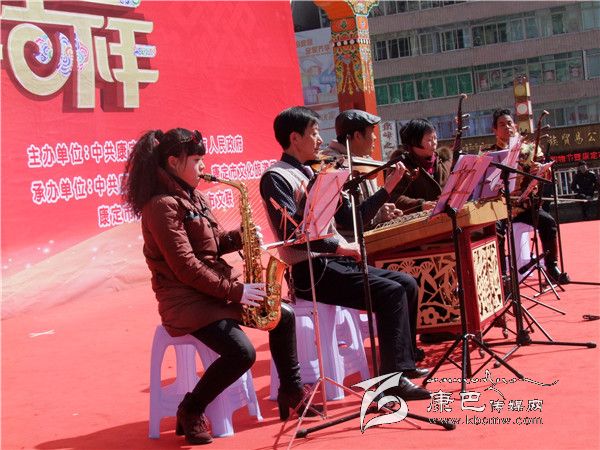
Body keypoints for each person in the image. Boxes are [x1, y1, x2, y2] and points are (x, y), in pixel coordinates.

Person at [122, 127, 315, 445]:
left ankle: (291, 391)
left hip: (214, 292)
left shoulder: (194, 196)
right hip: (186, 302)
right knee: (242, 352)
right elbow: (186, 267)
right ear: (173, 162)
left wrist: (240, 237)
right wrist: (236, 291)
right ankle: (191, 409)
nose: (203, 167)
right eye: (196, 160)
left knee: (283, 316)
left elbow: (209, 247)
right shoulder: (161, 206)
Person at [259, 106, 431, 401]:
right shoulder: (276, 178)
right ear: (295, 138)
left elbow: (354, 219)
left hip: (335, 262)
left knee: (407, 284)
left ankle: (403, 364)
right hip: (310, 271)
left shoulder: (315, 172)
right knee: (390, 292)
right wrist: (338, 247)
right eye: (314, 133)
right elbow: (293, 235)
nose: (319, 139)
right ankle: (391, 382)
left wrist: (387, 189)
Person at [486, 109, 570, 284]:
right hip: (500, 208)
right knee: (495, 230)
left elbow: (546, 175)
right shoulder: (488, 153)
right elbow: (485, 183)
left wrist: (540, 170)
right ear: (494, 130)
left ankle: (551, 267)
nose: (507, 127)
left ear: (515, 126)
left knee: (548, 223)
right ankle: (502, 276)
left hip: (525, 206)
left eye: (510, 123)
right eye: (502, 124)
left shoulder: (530, 148)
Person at [320, 109, 403, 237]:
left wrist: (382, 210)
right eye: (372, 132)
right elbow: (349, 219)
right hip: (350, 241)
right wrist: (386, 191)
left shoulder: (364, 160)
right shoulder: (333, 166)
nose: (375, 137)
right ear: (358, 136)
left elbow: (367, 204)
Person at [387, 119, 452, 214]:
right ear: (415, 143)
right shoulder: (400, 165)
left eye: (435, 138)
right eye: (429, 140)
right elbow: (393, 197)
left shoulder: (444, 160)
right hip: (418, 220)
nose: (434, 142)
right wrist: (420, 205)